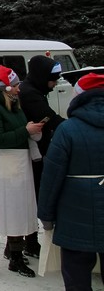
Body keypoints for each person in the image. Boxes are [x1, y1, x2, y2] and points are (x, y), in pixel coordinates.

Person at [0, 65, 44, 280]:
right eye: (15, 86)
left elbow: (17, 132)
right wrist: (25, 131)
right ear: (4, 87)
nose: (18, 89)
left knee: (19, 209)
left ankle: (15, 256)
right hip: (5, 167)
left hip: (20, 167)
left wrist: (32, 130)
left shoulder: (15, 106)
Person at [38, 73, 104, 291]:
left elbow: (51, 176)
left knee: (76, 276)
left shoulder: (68, 130)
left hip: (75, 214)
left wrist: (46, 215)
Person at [17, 55, 64, 259]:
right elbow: (51, 119)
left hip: (35, 151)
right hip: (29, 154)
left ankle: (28, 241)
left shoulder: (34, 90)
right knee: (31, 197)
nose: (54, 85)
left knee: (33, 196)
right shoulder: (30, 94)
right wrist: (74, 128)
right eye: (52, 79)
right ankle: (25, 243)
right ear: (42, 76)